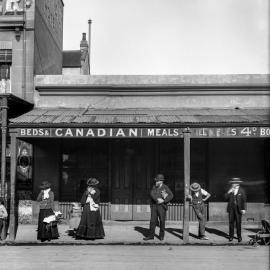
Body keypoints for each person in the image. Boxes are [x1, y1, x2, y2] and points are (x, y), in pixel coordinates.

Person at [143, 174, 173, 241]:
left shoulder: (165, 187)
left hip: (162, 207)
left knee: (162, 221)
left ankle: (161, 236)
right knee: (152, 221)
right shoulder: (154, 187)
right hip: (154, 206)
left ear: (161, 181)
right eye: (156, 181)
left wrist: (164, 201)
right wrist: (157, 199)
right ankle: (151, 236)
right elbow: (151, 194)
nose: (156, 182)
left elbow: (171, 195)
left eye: (157, 181)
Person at [225, 177, 247, 242]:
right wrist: (229, 191)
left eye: (233, 183)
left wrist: (244, 209)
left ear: (237, 184)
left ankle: (239, 236)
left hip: (238, 209)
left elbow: (244, 200)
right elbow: (225, 197)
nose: (232, 184)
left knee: (238, 223)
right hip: (231, 208)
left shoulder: (242, 190)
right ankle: (231, 236)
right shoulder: (230, 190)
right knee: (231, 222)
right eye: (232, 183)